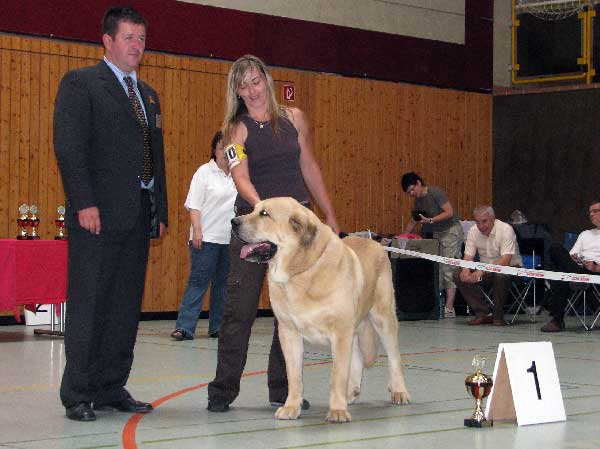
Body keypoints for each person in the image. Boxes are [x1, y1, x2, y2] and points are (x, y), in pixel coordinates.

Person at [53, 6, 168, 422]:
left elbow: (155, 159)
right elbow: (69, 147)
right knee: (89, 305)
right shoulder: (81, 84)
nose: (137, 45)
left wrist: (160, 210)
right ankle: (78, 393)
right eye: (129, 37)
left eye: (142, 38)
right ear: (107, 40)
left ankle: (110, 386)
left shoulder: (148, 94)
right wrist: (84, 202)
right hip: (96, 216)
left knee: (124, 306)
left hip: (138, 214)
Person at [207, 54, 339, 413]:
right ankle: (222, 390)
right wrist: (263, 210)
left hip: (295, 232)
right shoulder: (236, 129)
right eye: (243, 84)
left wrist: (328, 213)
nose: (252, 90)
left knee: (291, 311)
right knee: (240, 309)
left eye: (256, 80)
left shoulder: (295, 119)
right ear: (236, 90)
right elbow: (240, 177)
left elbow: (309, 166)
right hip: (254, 227)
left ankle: (283, 391)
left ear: (267, 79)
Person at [171, 132, 236, 341]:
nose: (224, 154)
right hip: (206, 238)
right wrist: (197, 230)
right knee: (198, 282)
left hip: (229, 239)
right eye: (220, 148)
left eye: (228, 149)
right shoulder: (204, 172)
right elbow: (194, 205)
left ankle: (217, 327)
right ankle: (185, 327)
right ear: (214, 151)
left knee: (223, 285)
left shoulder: (239, 175)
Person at [401, 172, 464, 318]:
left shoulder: (435, 193)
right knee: (439, 270)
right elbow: (413, 221)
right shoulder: (418, 201)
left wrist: (430, 220)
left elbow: (449, 212)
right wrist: (402, 237)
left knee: (449, 268)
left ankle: (449, 307)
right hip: (437, 234)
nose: (411, 193)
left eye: (412, 189)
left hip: (450, 231)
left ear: (418, 183)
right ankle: (440, 305)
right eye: (408, 192)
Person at [454, 206, 521, 326]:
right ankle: (483, 313)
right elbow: (468, 257)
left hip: (511, 269)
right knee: (457, 274)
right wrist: (465, 270)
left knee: (501, 275)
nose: (481, 226)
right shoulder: (473, 231)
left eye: (484, 221)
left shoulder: (506, 229)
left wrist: (482, 271)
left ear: (493, 219)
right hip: (485, 271)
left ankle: (498, 316)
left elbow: (505, 260)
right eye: (477, 222)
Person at [541, 199, 600, 332]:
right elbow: (571, 255)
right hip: (579, 269)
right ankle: (575, 277)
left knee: (563, 276)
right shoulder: (585, 234)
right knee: (555, 248)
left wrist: (596, 268)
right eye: (590, 212)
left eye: (595, 211)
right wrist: (573, 258)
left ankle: (557, 320)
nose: (591, 214)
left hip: (595, 271)